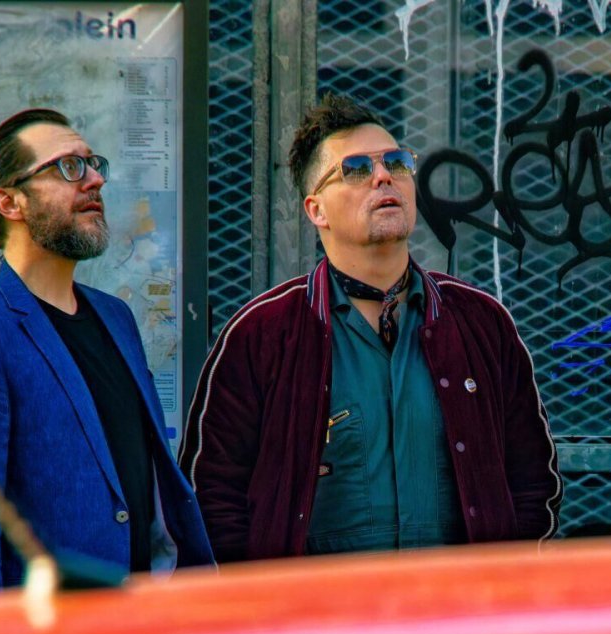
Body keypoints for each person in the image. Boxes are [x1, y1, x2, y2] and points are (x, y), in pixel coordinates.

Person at [179, 93, 560, 562]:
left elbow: (533, 478)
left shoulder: (480, 323)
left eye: (396, 163)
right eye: (357, 169)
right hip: (318, 606)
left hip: (459, 603)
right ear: (316, 210)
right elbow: (211, 492)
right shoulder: (261, 335)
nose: (384, 177)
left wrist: (504, 582)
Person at [0, 108, 212, 595]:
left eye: (93, 164)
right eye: (68, 167)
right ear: (10, 202)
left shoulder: (116, 318)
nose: (95, 180)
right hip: (51, 630)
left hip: (142, 616)